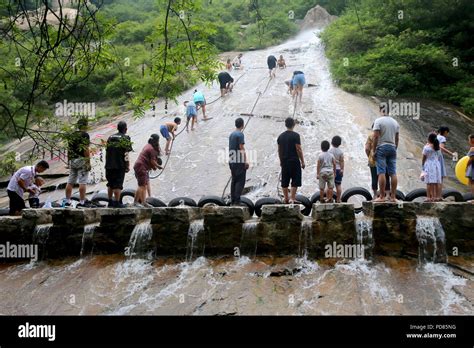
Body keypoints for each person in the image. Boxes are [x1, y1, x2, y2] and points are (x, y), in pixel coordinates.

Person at [372, 104, 400, 202]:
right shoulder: (395, 122)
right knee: (393, 172)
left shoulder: (378, 121)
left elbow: (375, 137)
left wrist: (374, 150)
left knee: (381, 172)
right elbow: (397, 138)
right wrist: (395, 148)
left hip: (382, 147)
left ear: (381, 110)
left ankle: (382, 197)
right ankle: (393, 197)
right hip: (392, 147)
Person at [64, 118, 92, 208]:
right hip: (82, 160)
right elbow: (85, 149)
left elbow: (69, 150)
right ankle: (82, 202)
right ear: (85, 125)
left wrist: (68, 162)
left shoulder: (72, 135)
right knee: (82, 182)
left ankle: (67, 201)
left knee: (70, 181)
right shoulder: (85, 135)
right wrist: (88, 162)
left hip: (73, 160)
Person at [277, 117, 305, 204]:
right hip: (294, 160)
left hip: (284, 161)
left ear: (285, 125)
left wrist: (281, 160)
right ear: (294, 124)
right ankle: (292, 198)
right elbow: (298, 149)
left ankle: (286, 199)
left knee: (285, 180)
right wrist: (302, 161)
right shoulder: (296, 135)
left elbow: (279, 150)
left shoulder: (280, 136)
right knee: (295, 179)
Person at [105, 121, 133, 208]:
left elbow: (107, 152)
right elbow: (126, 153)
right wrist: (127, 165)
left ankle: (110, 202)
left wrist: (107, 163)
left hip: (109, 165)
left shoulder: (110, 137)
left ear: (117, 128)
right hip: (119, 165)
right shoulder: (126, 138)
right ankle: (117, 203)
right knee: (118, 185)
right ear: (126, 129)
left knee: (110, 184)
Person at [133, 134, 162, 207]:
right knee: (141, 186)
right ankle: (136, 202)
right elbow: (152, 161)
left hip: (139, 166)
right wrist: (158, 166)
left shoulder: (147, 145)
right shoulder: (151, 149)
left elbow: (149, 160)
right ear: (156, 141)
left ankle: (143, 202)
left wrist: (154, 166)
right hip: (141, 167)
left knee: (144, 186)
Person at [365, 126, 391, 199]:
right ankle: (388, 195)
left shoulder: (370, 137)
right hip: (384, 160)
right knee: (386, 176)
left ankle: (375, 195)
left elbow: (367, 149)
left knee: (374, 177)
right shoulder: (385, 137)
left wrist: (369, 156)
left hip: (373, 160)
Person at [228, 118, 249, 206]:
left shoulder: (231, 134)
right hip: (238, 160)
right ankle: (237, 201)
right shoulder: (240, 134)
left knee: (234, 180)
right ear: (242, 125)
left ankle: (233, 200)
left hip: (232, 159)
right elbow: (241, 148)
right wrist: (246, 161)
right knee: (240, 180)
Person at [436, 126, 456, 199]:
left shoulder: (436, 136)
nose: (447, 134)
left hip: (433, 157)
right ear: (445, 132)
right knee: (440, 177)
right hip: (438, 157)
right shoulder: (442, 138)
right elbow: (441, 148)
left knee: (434, 177)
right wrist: (451, 153)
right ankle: (439, 196)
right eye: (447, 133)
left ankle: (433, 195)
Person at [422, 133, 442, 202]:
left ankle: (429, 197)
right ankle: (436, 197)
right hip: (437, 164)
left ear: (429, 139)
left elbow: (424, 157)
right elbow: (439, 156)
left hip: (429, 164)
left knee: (429, 182)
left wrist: (422, 165)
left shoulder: (426, 148)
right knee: (436, 181)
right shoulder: (438, 147)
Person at [329, 136, 344, 203]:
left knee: (329, 186)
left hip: (331, 170)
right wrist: (342, 169)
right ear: (340, 144)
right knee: (338, 185)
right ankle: (338, 199)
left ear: (331, 142)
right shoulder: (340, 152)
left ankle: (329, 198)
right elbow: (342, 161)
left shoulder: (329, 151)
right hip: (338, 170)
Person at [466, 134, 474, 202]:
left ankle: (473, 199)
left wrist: (466, 166)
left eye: (469, 139)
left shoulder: (472, 148)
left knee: (471, 183)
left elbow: (471, 159)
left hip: (472, 167)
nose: (468, 141)